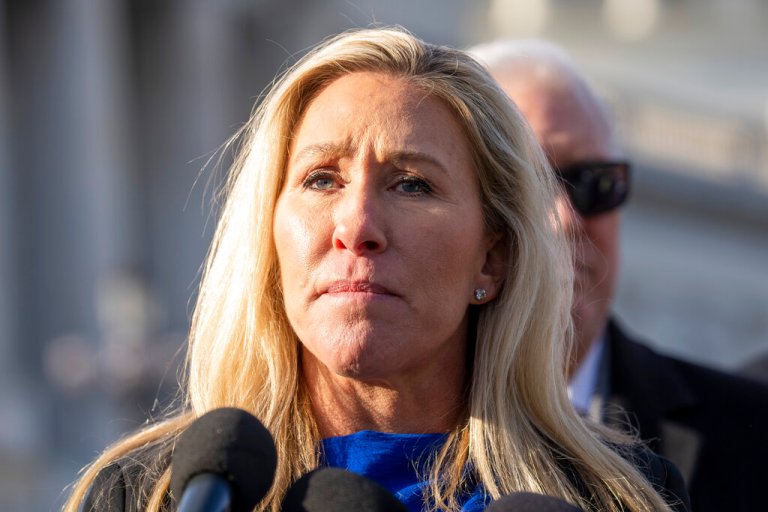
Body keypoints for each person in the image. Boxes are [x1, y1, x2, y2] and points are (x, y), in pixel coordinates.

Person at [64, 28, 689, 512]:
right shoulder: (153, 493)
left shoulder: (615, 497)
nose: (357, 225)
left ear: (492, 258)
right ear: (268, 237)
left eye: (412, 184)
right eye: (321, 179)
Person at [469, 39, 768, 512]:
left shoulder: (752, 434)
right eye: (529, 183)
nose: (566, 220)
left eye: (596, 184)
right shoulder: (370, 425)